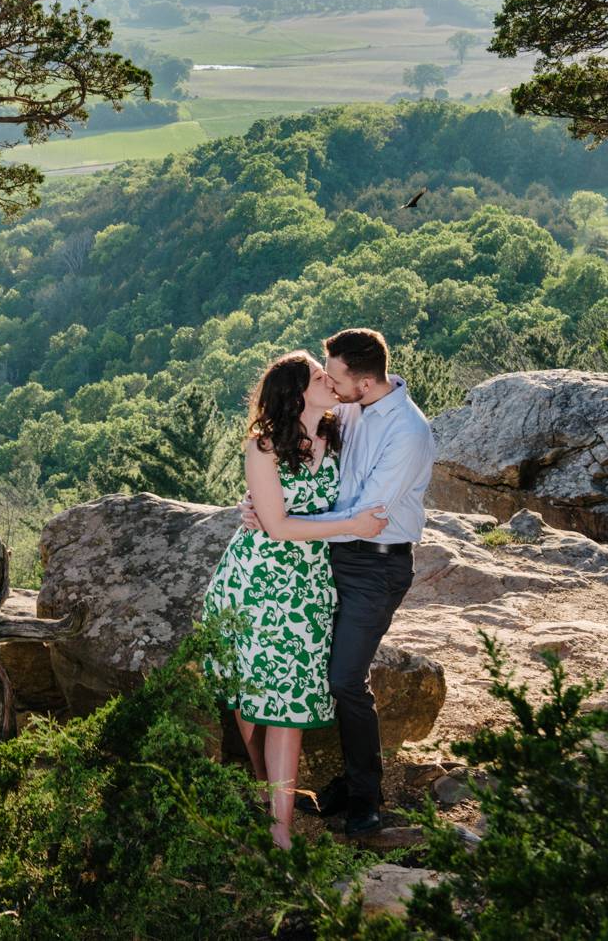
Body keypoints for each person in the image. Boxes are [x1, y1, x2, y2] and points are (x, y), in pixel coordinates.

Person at [238, 328, 434, 838]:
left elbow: (366, 512)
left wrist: (282, 518)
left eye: (335, 377)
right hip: (326, 560)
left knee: (346, 677)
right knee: (313, 673)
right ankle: (300, 785)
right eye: (323, 375)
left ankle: (365, 797)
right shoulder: (348, 408)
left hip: (376, 564)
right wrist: (262, 508)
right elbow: (292, 450)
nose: (330, 384)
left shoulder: (408, 433)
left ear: (364, 383)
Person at [200, 349, 389, 850]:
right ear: (296, 392)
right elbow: (278, 527)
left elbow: (381, 393)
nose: (330, 380)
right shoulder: (263, 447)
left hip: (310, 587)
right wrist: (349, 525)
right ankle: (268, 793)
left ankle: (279, 826)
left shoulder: (339, 430)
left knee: (286, 703)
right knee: (252, 692)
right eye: (318, 375)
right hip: (259, 582)